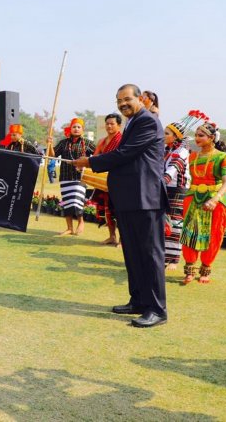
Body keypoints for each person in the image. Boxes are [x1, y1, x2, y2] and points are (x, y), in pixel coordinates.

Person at [73, 84, 168, 328]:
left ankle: (157, 309)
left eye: (127, 99)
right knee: (133, 254)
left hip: (146, 199)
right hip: (129, 198)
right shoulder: (133, 122)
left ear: (140, 99)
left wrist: (91, 161)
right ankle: (138, 300)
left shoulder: (147, 121)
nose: (122, 104)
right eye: (119, 101)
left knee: (150, 255)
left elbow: (124, 154)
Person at [180, 122, 226, 285]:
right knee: (189, 233)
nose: (197, 138)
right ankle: (189, 270)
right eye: (196, 135)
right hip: (193, 197)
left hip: (216, 200)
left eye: (201, 135)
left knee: (214, 234)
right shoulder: (192, 156)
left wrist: (215, 199)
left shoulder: (223, 158)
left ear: (211, 138)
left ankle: (205, 269)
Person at [48, 118, 96, 236]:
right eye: (74, 127)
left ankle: (81, 221)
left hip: (80, 177)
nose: (76, 129)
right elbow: (52, 156)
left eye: (79, 127)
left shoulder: (88, 143)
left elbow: (97, 156)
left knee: (76, 200)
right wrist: (49, 144)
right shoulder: (63, 143)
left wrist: (87, 164)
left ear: (82, 130)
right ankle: (69, 228)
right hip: (65, 176)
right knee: (68, 202)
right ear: (70, 129)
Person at [92, 114, 123, 246]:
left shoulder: (123, 140)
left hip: (119, 181)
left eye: (112, 123)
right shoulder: (102, 142)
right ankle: (112, 236)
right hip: (103, 181)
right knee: (108, 210)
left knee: (121, 211)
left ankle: (123, 240)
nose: (109, 126)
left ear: (119, 125)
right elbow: (95, 158)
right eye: (107, 123)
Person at [163, 121, 190, 270]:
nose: (163, 136)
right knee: (164, 222)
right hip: (165, 189)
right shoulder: (167, 149)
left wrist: (161, 181)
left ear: (176, 136)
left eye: (167, 133)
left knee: (175, 223)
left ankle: (174, 259)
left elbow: (173, 169)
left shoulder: (182, 151)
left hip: (178, 191)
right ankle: (164, 256)